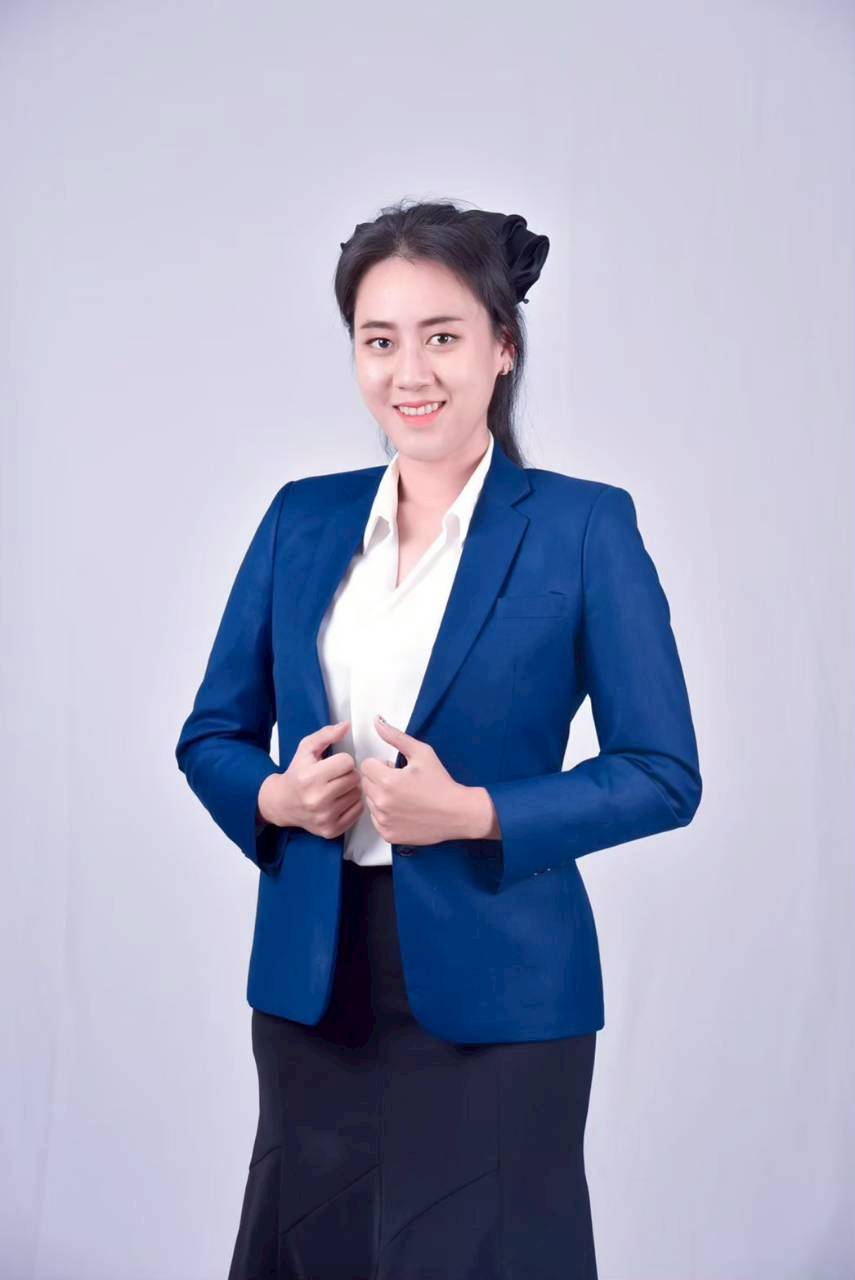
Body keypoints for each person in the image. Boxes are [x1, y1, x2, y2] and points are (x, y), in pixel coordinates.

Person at [174, 198, 702, 1280]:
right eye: (379, 340)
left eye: (442, 336)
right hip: (316, 985)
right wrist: (274, 798)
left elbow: (662, 772)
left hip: (504, 998)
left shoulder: (583, 525)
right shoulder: (299, 518)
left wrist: (477, 812)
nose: (408, 371)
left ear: (502, 347)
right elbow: (212, 733)